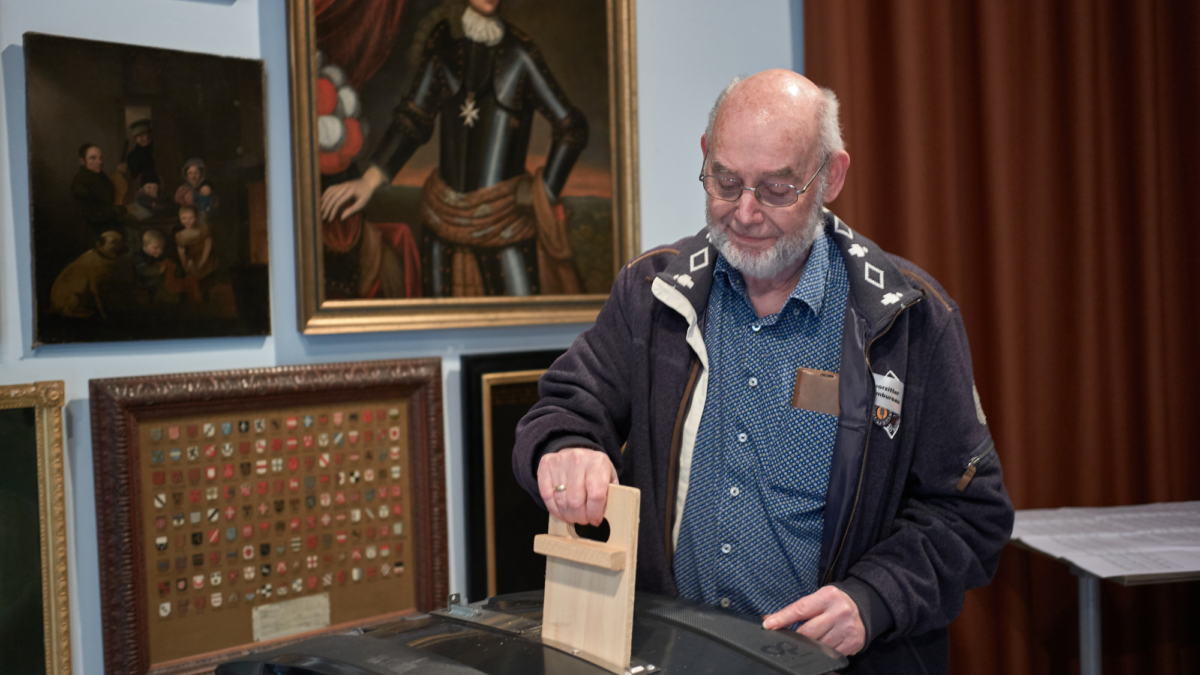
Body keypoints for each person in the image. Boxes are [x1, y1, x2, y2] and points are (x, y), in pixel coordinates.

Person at [512, 70, 1014, 674]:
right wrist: (565, 448)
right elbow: (565, 408)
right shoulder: (653, 293)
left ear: (831, 176)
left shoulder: (908, 320)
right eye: (726, 182)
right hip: (668, 657)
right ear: (706, 158)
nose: (745, 212)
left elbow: (969, 514)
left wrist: (874, 598)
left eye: (777, 189)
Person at [318, 0, 588, 298]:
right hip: (441, 230)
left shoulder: (519, 54)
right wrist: (369, 181)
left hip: (505, 229)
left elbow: (571, 128)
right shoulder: (442, 49)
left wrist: (542, 193)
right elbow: (412, 120)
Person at [71, 143, 127, 239]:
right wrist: (121, 209)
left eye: (100, 158)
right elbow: (93, 214)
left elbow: (107, 194)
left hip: (108, 227)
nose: (99, 162)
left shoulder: (101, 176)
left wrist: (119, 174)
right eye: (93, 158)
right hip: (94, 234)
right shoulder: (80, 182)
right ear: (82, 161)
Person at [174, 205, 217, 302]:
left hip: (204, 258)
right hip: (191, 259)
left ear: (196, 217)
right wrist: (185, 264)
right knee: (188, 279)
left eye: (190, 218)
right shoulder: (180, 235)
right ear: (180, 219)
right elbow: (181, 251)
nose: (187, 221)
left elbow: (207, 246)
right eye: (184, 218)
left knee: (205, 281)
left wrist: (202, 262)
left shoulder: (203, 230)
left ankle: (206, 301)